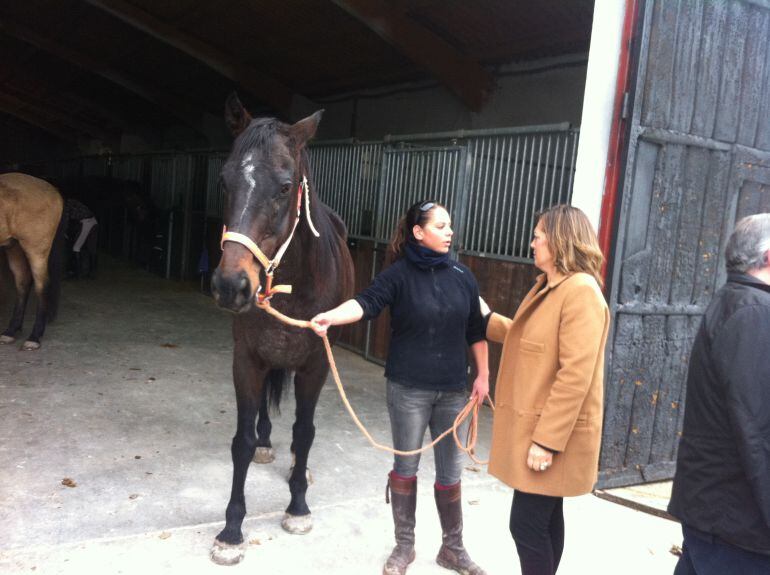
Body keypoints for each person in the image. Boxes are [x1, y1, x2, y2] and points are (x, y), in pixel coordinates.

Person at [310, 200, 489, 575]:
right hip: (409, 390)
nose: (449, 232)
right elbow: (366, 303)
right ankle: (404, 547)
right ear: (418, 232)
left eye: (450, 226)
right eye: (441, 226)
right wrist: (331, 316)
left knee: (450, 473)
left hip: (454, 391)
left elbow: (476, 330)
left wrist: (483, 376)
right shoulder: (398, 275)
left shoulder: (462, 275)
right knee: (405, 467)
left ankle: (452, 549)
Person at [480, 204, 609, 575]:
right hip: (541, 429)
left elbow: (575, 375)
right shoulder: (553, 287)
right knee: (546, 519)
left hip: (552, 435)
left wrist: (547, 441)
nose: (532, 242)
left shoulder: (581, 292)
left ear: (560, 240)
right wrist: (487, 320)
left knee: (526, 525)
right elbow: (532, 341)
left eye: (539, 235)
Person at [668, 213, 770, 574]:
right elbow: (757, 429)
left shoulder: (742, 304)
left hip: (719, 516)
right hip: (736, 524)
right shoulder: (754, 313)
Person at [64, 198, 98, 278]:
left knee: (76, 247)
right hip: (94, 221)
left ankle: (77, 273)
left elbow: (66, 220)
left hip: (86, 222)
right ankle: (92, 272)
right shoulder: (73, 201)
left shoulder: (66, 206)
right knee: (91, 248)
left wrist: (64, 232)